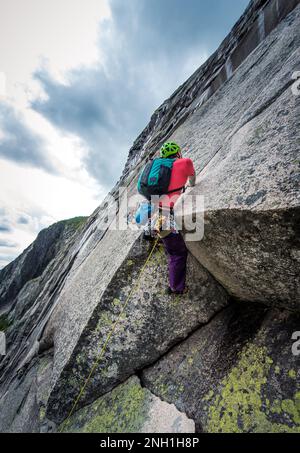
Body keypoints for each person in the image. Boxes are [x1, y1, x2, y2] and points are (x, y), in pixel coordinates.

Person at [136, 142, 196, 295]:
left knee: (156, 218)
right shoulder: (185, 162)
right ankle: (176, 287)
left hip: (150, 210)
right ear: (178, 153)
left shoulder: (155, 169)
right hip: (164, 216)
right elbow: (192, 180)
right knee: (178, 253)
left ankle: (148, 231)